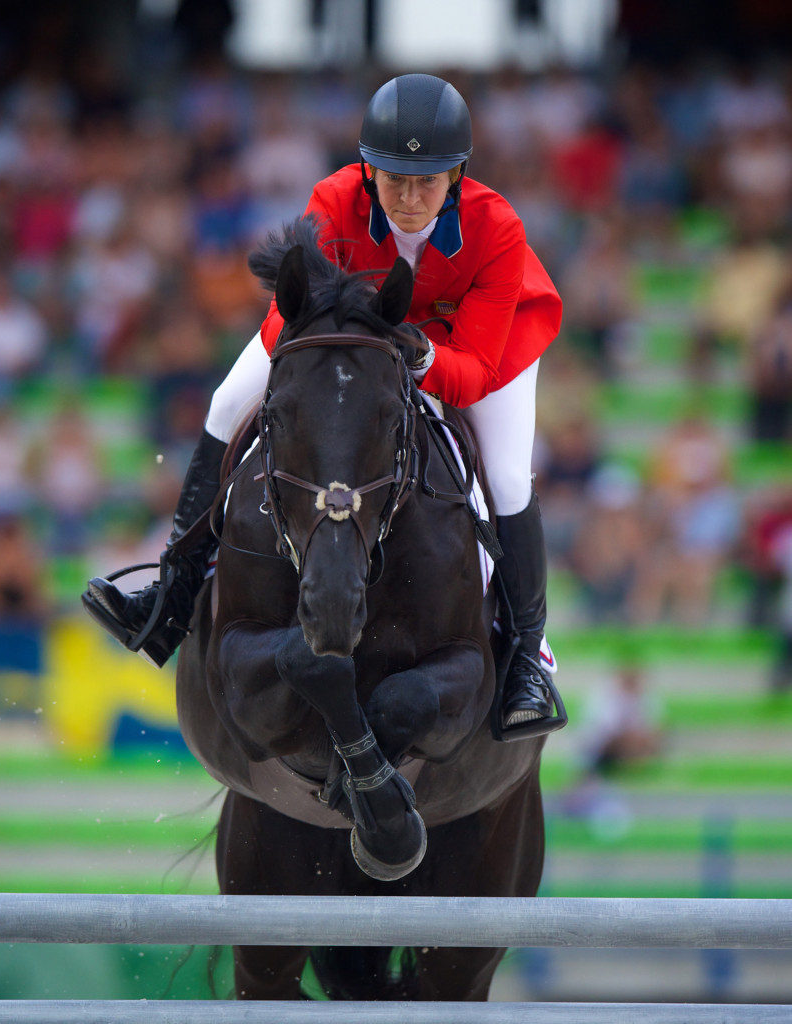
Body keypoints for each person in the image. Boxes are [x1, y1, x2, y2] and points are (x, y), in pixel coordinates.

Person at [83, 74, 564, 734]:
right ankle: (173, 591)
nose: (409, 197)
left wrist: (414, 354)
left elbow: (474, 371)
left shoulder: (496, 229)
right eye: (394, 178)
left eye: (427, 180)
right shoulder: (334, 200)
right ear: (368, 169)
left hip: (476, 348)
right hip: (354, 334)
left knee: (507, 477)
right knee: (226, 402)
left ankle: (525, 656)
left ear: (456, 175)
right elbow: (295, 318)